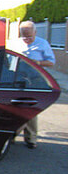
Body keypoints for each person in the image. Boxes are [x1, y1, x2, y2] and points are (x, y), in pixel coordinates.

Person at [16, 20, 55, 148]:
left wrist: (37, 63)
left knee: (31, 108)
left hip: (35, 80)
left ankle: (31, 138)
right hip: (17, 79)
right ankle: (12, 135)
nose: (26, 39)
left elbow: (51, 62)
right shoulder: (15, 43)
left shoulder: (43, 44)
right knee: (15, 107)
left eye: (29, 36)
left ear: (35, 32)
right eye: (24, 36)